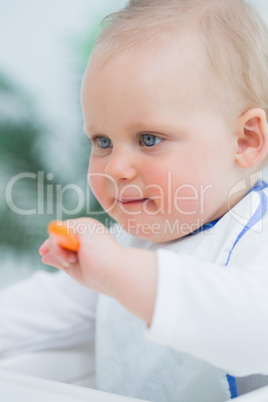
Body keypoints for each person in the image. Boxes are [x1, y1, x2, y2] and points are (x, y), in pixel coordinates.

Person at [1, 0, 268, 400]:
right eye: (102, 141)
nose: (115, 168)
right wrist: (110, 264)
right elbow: (41, 310)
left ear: (246, 140)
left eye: (149, 139)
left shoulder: (256, 236)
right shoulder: (130, 242)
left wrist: (116, 269)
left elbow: (251, 328)